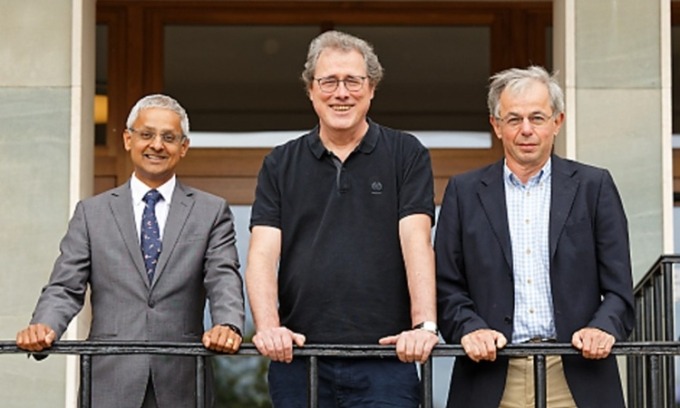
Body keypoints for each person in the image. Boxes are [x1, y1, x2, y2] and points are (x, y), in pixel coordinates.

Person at [245, 30, 439, 407]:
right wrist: (268, 327)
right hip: (299, 357)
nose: (341, 93)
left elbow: (417, 241)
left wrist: (424, 326)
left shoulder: (406, 154)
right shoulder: (280, 163)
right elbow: (262, 254)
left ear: (371, 89)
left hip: (387, 358)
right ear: (310, 90)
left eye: (353, 81)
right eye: (329, 81)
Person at [16, 94, 245, 408]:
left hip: (181, 380)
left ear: (184, 147)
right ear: (128, 139)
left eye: (169, 137)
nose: (157, 145)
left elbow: (223, 276)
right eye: (146, 134)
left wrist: (228, 324)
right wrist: (44, 326)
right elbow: (65, 286)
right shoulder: (91, 213)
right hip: (109, 381)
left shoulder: (211, 211)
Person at [435, 66, 635, 408]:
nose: (526, 129)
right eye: (514, 119)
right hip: (490, 375)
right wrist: (469, 328)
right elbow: (446, 285)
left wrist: (603, 328)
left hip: (575, 372)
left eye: (537, 118)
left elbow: (619, 288)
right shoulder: (463, 192)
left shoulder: (594, 187)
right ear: (496, 125)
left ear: (557, 122)